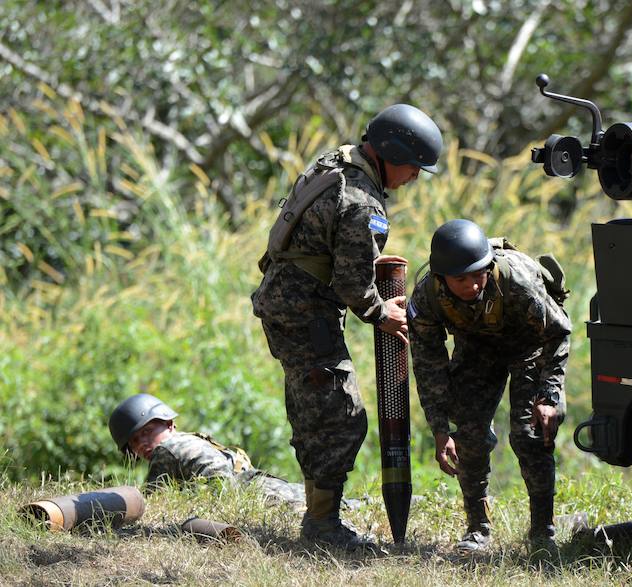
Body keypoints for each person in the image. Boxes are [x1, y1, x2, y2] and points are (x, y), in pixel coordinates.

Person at [250, 104, 442, 549]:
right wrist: (382, 313)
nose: (414, 177)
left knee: (313, 409)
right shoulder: (363, 203)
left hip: (286, 303)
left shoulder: (337, 162)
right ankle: (322, 526)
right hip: (305, 313)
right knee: (341, 417)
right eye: (414, 167)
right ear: (391, 154)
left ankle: (318, 515)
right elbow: (354, 282)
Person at [407, 219, 572, 553]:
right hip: (477, 349)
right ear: (441, 278)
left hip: (531, 349)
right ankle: (477, 529)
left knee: (531, 434)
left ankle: (543, 532)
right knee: (467, 433)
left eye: (478, 274)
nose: (471, 286)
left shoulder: (519, 282)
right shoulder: (428, 298)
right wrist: (440, 427)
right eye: (460, 279)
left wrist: (549, 395)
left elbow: (558, 333)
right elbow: (428, 365)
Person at [108, 393, 306, 505]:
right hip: (271, 489)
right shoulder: (196, 440)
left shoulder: (167, 450)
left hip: (261, 498)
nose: (142, 443)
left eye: (148, 431)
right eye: (134, 441)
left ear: (169, 424)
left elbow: (149, 505)